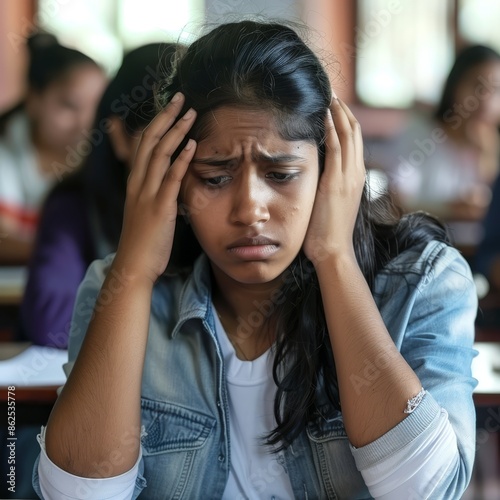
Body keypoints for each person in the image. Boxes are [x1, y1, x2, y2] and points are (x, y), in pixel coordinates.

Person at [32, 21, 477, 499]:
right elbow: (76, 494)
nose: (249, 210)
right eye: (214, 177)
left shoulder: (422, 282)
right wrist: (135, 272)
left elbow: (427, 491)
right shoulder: (117, 290)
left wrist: (335, 257)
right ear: (176, 184)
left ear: (332, 174)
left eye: (281, 173)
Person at [19, 43, 176, 349]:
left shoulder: (217, 208)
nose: (185, 162)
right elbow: (51, 323)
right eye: (165, 143)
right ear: (119, 137)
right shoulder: (74, 206)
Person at [0, 33, 106, 264]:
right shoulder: (5, 158)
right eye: (70, 106)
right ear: (34, 100)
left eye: (97, 108)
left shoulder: (104, 159)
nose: (85, 123)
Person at [387, 45, 500, 232]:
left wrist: (488, 158)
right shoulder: (421, 134)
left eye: (496, 90)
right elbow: (395, 204)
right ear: (454, 85)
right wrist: (450, 209)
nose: (486, 100)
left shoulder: (492, 144)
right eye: (477, 87)